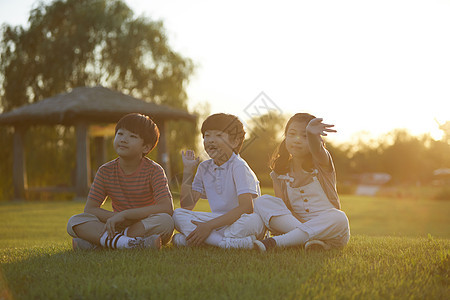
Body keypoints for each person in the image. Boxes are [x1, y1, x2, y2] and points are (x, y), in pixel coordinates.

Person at [67, 113, 174, 250]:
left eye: (132, 136)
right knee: (74, 221)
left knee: (166, 222)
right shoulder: (105, 171)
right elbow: (90, 209)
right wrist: (115, 218)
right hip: (115, 223)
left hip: (143, 224)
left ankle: (105, 242)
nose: (123, 139)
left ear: (146, 147)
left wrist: (125, 215)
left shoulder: (154, 171)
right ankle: (130, 243)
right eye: (120, 134)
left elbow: (166, 208)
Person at [253, 113, 350, 251]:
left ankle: (277, 242)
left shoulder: (322, 163)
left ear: (316, 140)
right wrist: (301, 226)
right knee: (262, 201)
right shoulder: (278, 174)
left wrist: (312, 134)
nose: (297, 140)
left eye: (305, 136)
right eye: (292, 134)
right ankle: (310, 240)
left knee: (339, 217)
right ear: (285, 137)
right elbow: (284, 208)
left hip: (328, 229)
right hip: (293, 223)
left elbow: (317, 149)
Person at [172, 113, 265, 249]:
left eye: (218, 135)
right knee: (178, 215)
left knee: (254, 221)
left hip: (242, 222)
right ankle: (225, 243)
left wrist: (208, 226)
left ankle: (206, 240)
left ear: (235, 141)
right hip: (217, 223)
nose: (211, 140)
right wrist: (187, 170)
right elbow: (187, 206)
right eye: (207, 136)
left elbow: (247, 208)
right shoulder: (204, 167)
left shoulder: (239, 166)